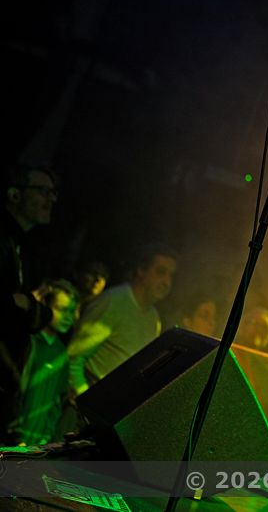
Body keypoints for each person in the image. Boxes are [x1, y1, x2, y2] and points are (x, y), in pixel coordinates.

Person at [67, 242, 178, 394]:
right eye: (160, 272)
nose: (167, 282)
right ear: (141, 270)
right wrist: (84, 396)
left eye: (171, 276)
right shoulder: (113, 301)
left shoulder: (153, 318)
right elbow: (73, 357)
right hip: (92, 396)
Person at [1, 164, 59, 443]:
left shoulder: (22, 246)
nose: (51, 199)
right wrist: (22, 306)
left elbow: (39, 313)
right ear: (15, 195)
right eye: (43, 191)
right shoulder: (4, 240)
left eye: (53, 193)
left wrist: (28, 306)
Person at [14, 279, 79, 446]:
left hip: (37, 444)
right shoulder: (29, 343)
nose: (68, 317)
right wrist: (15, 434)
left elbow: (56, 401)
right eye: (61, 309)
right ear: (45, 306)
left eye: (71, 311)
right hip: (12, 440)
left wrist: (47, 437)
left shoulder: (61, 353)